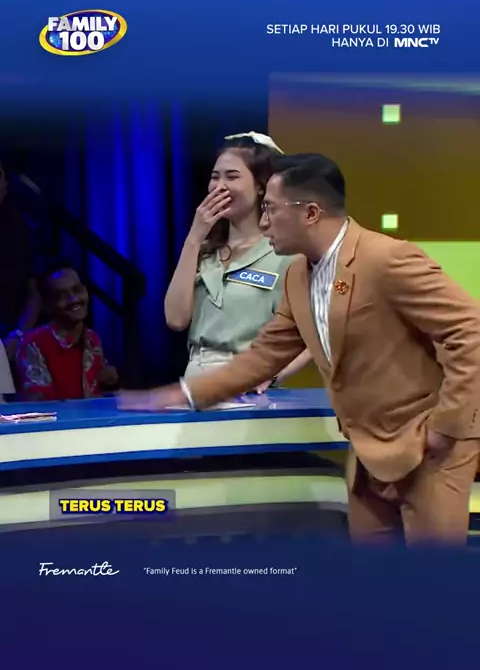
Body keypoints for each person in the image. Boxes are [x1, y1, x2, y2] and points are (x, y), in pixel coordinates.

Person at [119, 153, 480, 545]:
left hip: (428, 450)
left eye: (271, 209)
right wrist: (183, 394)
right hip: (367, 454)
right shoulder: (297, 275)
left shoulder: (386, 259)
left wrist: (447, 426)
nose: (262, 222)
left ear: (310, 213)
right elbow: (264, 356)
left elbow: (470, 332)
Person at [164, 132, 311, 387]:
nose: (220, 186)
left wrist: (274, 375)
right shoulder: (203, 250)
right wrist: (195, 237)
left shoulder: (286, 255)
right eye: (215, 177)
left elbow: (317, 334)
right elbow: (175, 319)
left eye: (232, 177)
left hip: (248, 385)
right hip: (196, 382)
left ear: (261, 186)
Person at [16, 265, 118, 401]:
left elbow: (97, 388)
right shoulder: (34, 343)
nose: (74, 299)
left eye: (77, 290)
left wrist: (107, 377)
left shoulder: (93, 339)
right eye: (62, 296)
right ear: (48, 305)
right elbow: (39, 403)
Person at [0, 162, 42, 361]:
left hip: (11, 332)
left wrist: (17, 336)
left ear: (6, 183)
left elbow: (35, 295)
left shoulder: (21, 231)